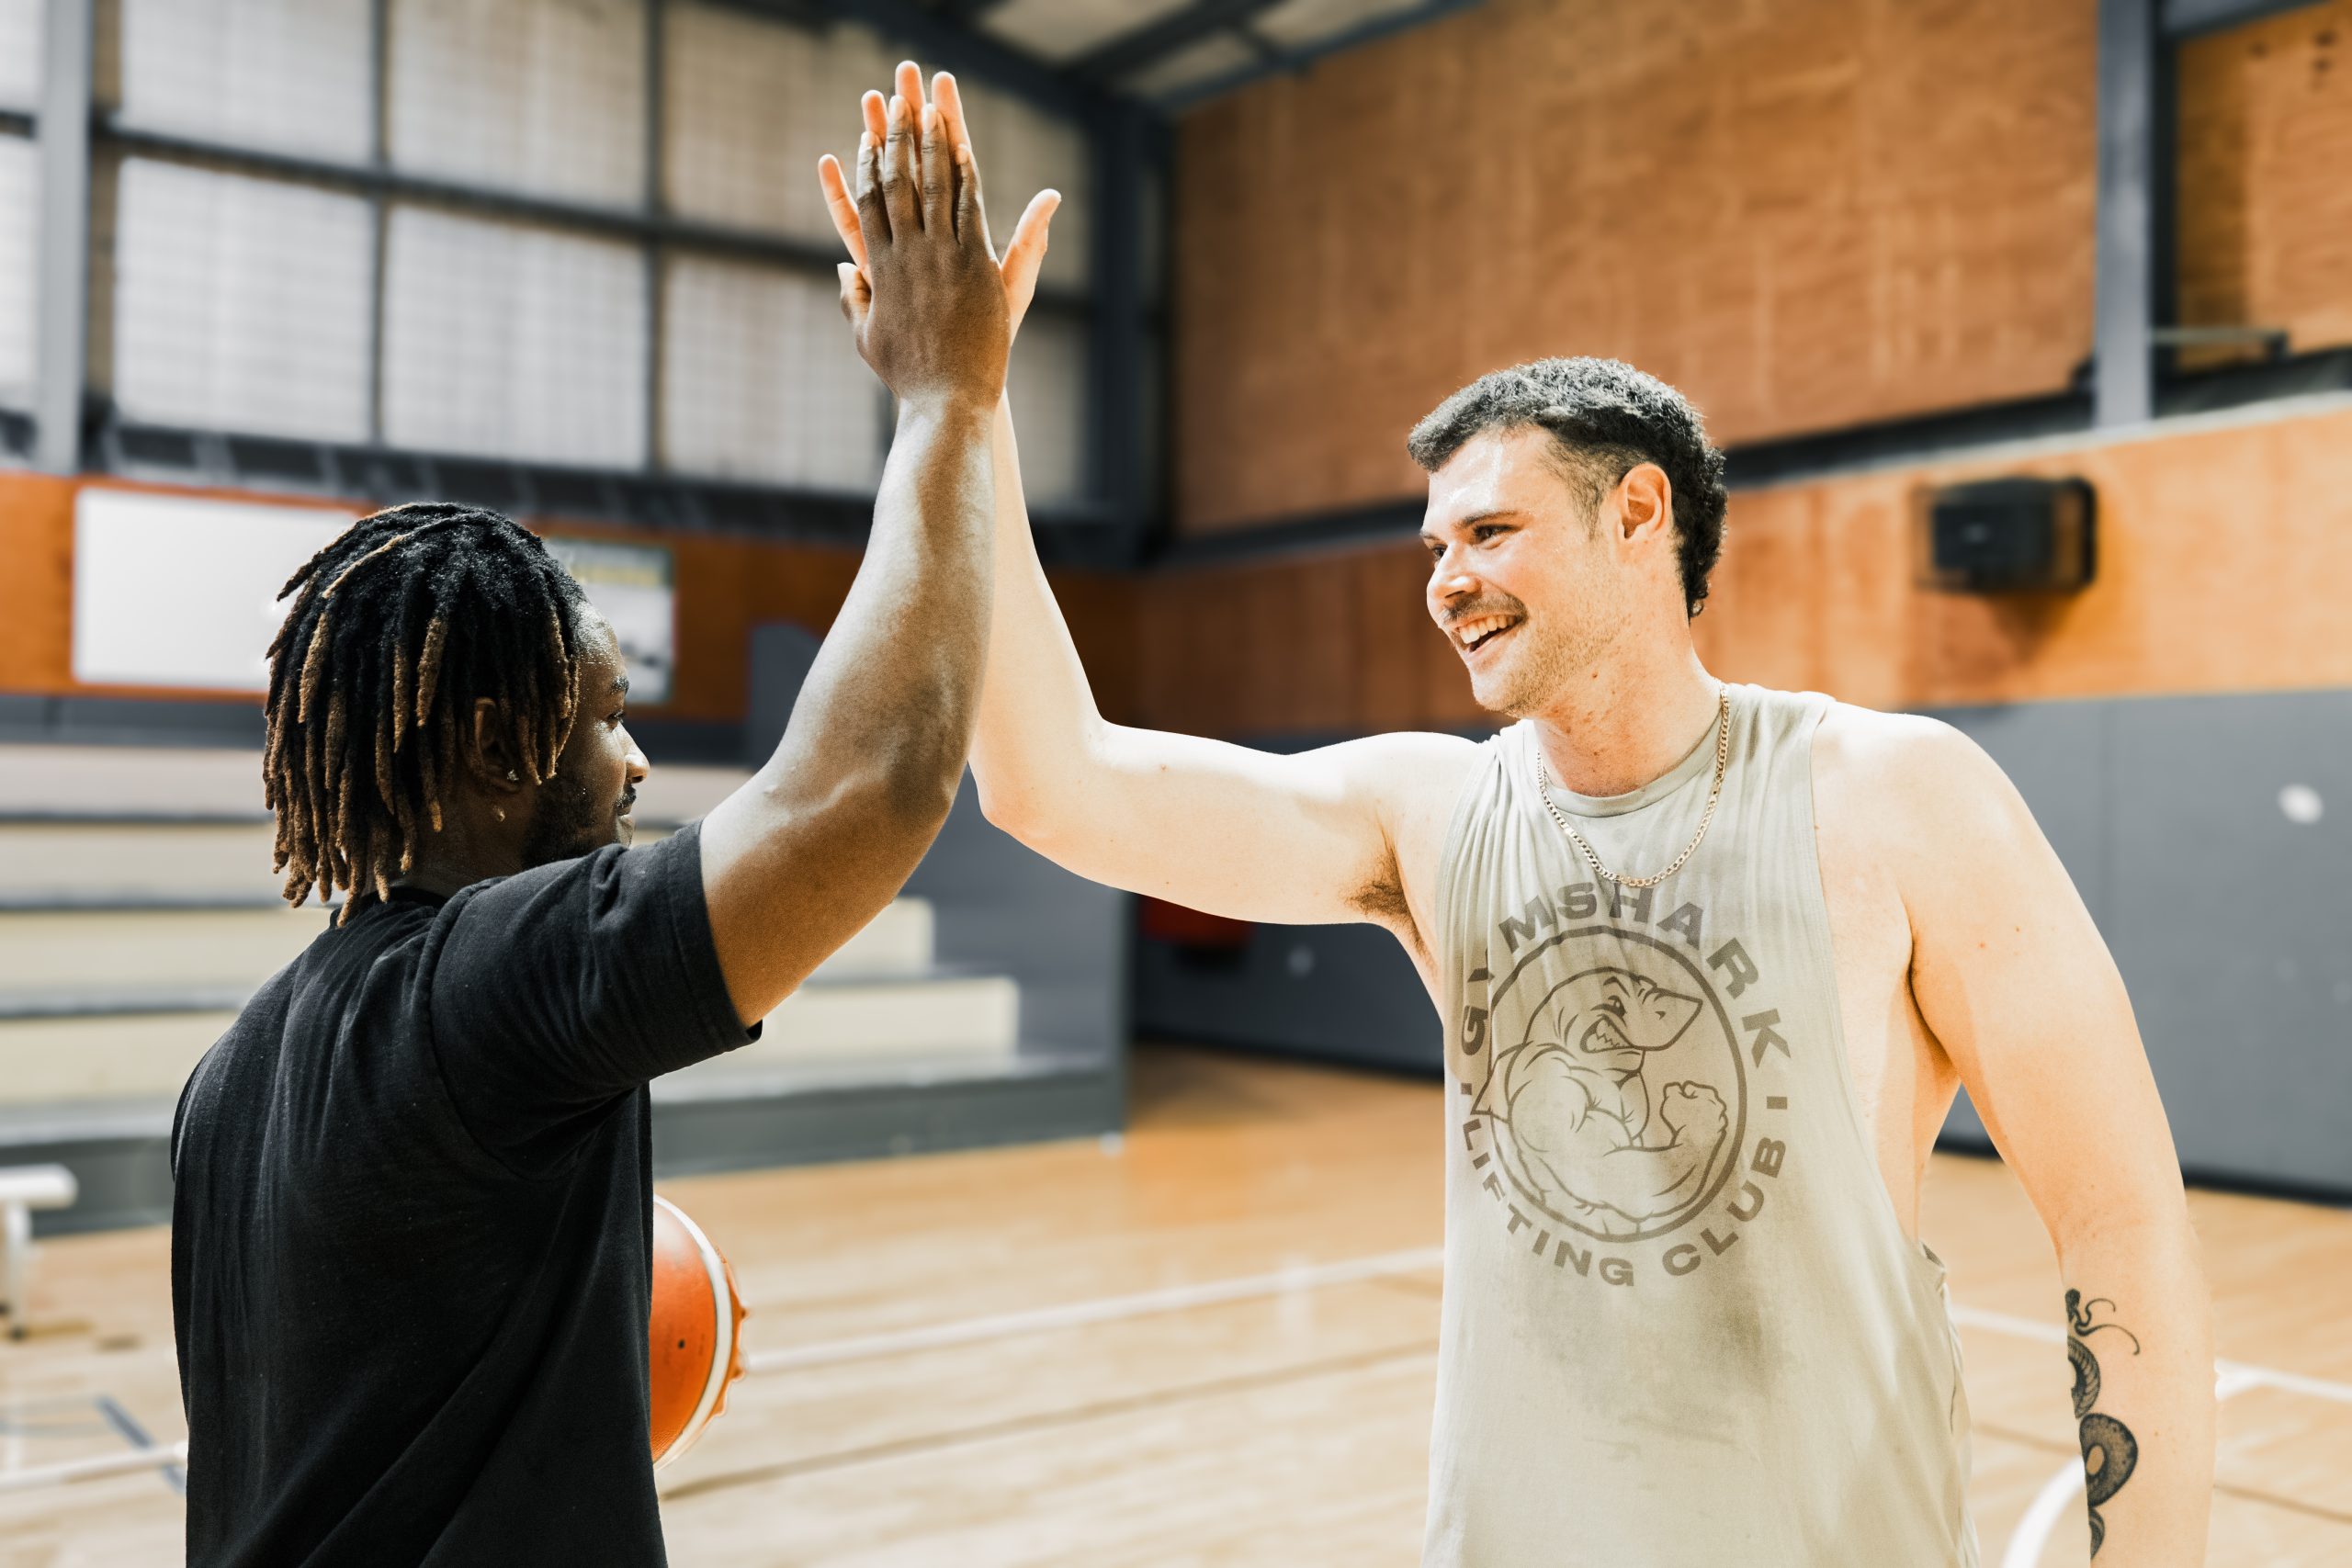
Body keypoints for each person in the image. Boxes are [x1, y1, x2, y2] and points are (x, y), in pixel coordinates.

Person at [824, 70, 2215, 1566]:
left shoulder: (1895, 795)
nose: (1445, 576)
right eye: (1434, 543)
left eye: (1490, 530)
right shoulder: (1428, 815)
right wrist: (956, 406)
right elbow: (1053, 786)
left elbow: (2122, 1227)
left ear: (1639, 521)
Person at [170, 80, 1021, 1566]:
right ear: (504, 744)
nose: (633, 767)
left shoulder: (226, 1077)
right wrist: (949, 396)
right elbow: (872, 783)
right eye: (605, 718)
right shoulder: (481, 995)